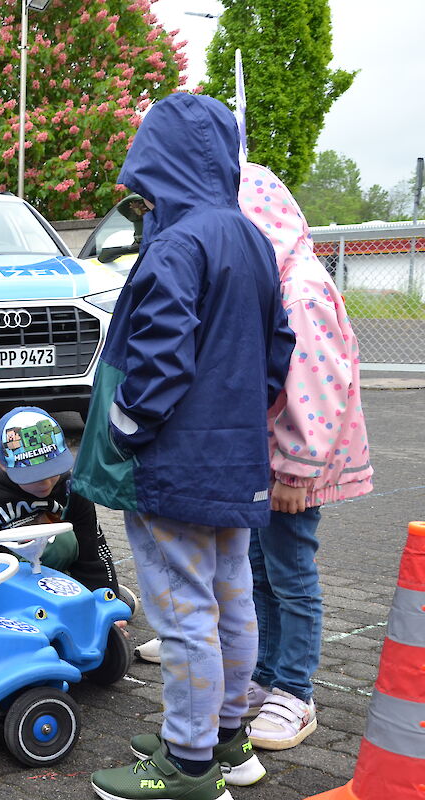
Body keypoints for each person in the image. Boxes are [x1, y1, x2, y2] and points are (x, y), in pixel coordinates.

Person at [71, 93, 295, 800]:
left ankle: (189, 768)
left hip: (172, 465)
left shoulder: (177, 242)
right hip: (236, 461)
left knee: (184, 613)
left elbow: (160, 355)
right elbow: (279, 347)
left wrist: (131, 425)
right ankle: (228, 738)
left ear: (159, 161)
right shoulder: (251, 236)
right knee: (233, 600)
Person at [131, 164, 375, 754]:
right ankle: (264, 673)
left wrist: (294, 469)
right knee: (259, 572)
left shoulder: (300, 288)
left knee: (290, 574)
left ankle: (295, 688)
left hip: (295, 470)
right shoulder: (273, 279)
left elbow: (315, 387)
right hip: (264, 466)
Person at [0, 406, 127, 607]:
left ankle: (76, 588)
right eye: (32, 476)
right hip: (14, 575)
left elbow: (92, 549)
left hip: (66, 566)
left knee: (113, 606)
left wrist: (104, 598)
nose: (44, 484)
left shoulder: (72, 488)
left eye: (51, 472)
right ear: (4, 465)